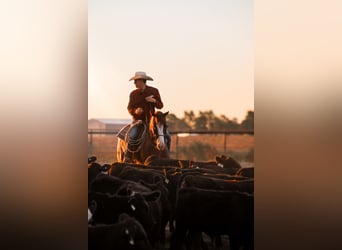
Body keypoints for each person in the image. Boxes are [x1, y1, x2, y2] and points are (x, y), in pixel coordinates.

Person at [124, 71, 171, 162]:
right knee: (132, 134)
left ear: (142, 81)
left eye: (136, 81)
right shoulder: (133, 94)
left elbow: (160, 105)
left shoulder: (154, 91)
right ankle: (128, 156)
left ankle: (167, 155)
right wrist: (135, 111)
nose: (134, 83)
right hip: (138, 121)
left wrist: (154, 101)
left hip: (152, 121)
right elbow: (129, 108)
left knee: (168, 136)